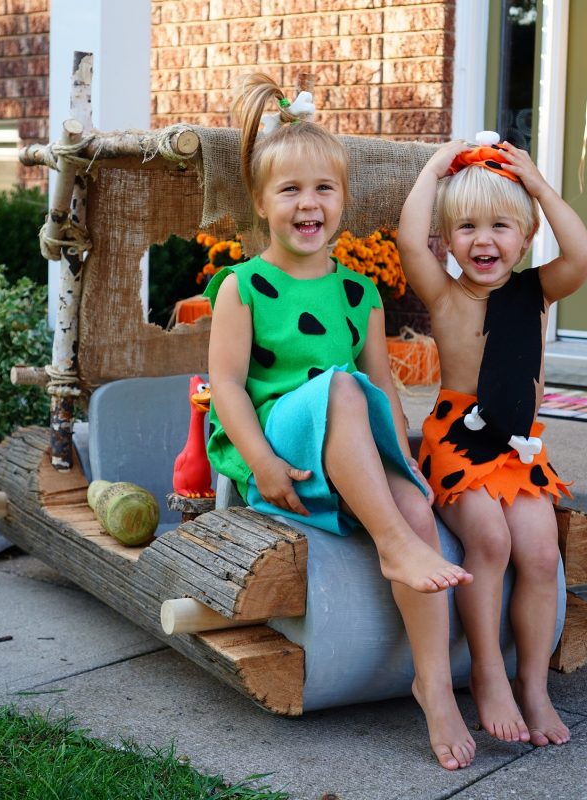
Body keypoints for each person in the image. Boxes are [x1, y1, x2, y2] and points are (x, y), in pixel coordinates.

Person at [205, 73, 475, 770]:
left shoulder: (359, 292)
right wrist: (262, 462)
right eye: (290, 189)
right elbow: (227, 387)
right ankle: (389, 543)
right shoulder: (242, 287)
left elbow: (382, 382)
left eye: (323, 188)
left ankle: (433, 686)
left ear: (342, 202)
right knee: (341, 387)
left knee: (416, 507)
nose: (307, 203)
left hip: (348, 437)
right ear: (261, 203)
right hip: (283, 444)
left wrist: (407, 462)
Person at [397, 135, 587, 748]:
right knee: (490, 537)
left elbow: (584, 252)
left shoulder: (536, 291)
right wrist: (436, 167)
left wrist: (536, 183)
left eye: (501, 226)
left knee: (539, 552)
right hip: (457, 443)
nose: (484, 241)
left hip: (517, 448)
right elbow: (407, 239)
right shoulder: (446, 293)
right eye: (466, 228)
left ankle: (532, 683)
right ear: (448, 238)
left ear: (528, 231)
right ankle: (488, 672)